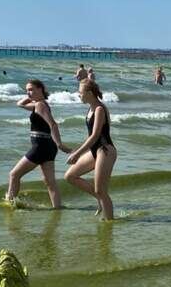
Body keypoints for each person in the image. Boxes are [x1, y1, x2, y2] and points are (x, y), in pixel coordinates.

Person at [6, 79, 69, 207]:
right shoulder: (39, 104)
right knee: (50, 182)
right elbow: (20, 104)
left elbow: (53, 124)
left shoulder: (40, 105)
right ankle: (58, 208)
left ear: (40, 89)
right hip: (47, 147)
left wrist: (60, 144)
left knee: (14, 174)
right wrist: (30, 96)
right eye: (27, 90)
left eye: (31, 89)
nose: (28, 92)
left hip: (41, 147)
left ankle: (10, 203)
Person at [66, 78, 117, 220]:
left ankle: (109, 223)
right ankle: (100, 199)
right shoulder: (90, 108)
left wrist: (77, 153)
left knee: (101, 190)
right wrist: (78, 151)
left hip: (105, 150)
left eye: (80, 92)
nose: (78, 94)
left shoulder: (100, 109)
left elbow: (94, 136)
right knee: (70, 176)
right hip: (95, 151)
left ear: (89, 92)